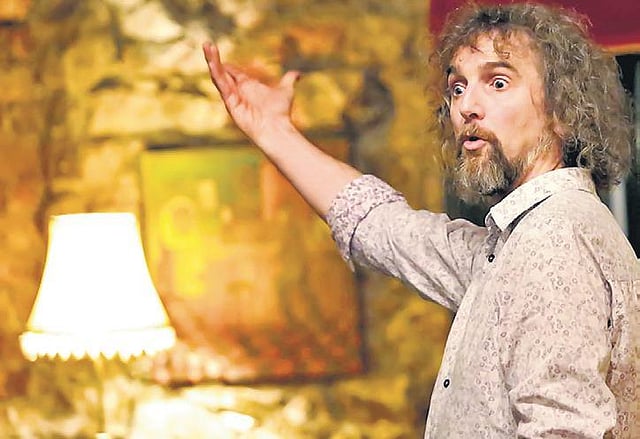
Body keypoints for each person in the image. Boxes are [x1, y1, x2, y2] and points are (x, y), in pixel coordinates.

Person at [202, 2, 640, 438]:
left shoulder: (554, 238)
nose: (467, 106)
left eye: (498, 82)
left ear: (563, 111)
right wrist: (273, 130)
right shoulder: (517, 242)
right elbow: (381, 226)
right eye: (457, 87)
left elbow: (564, 430)